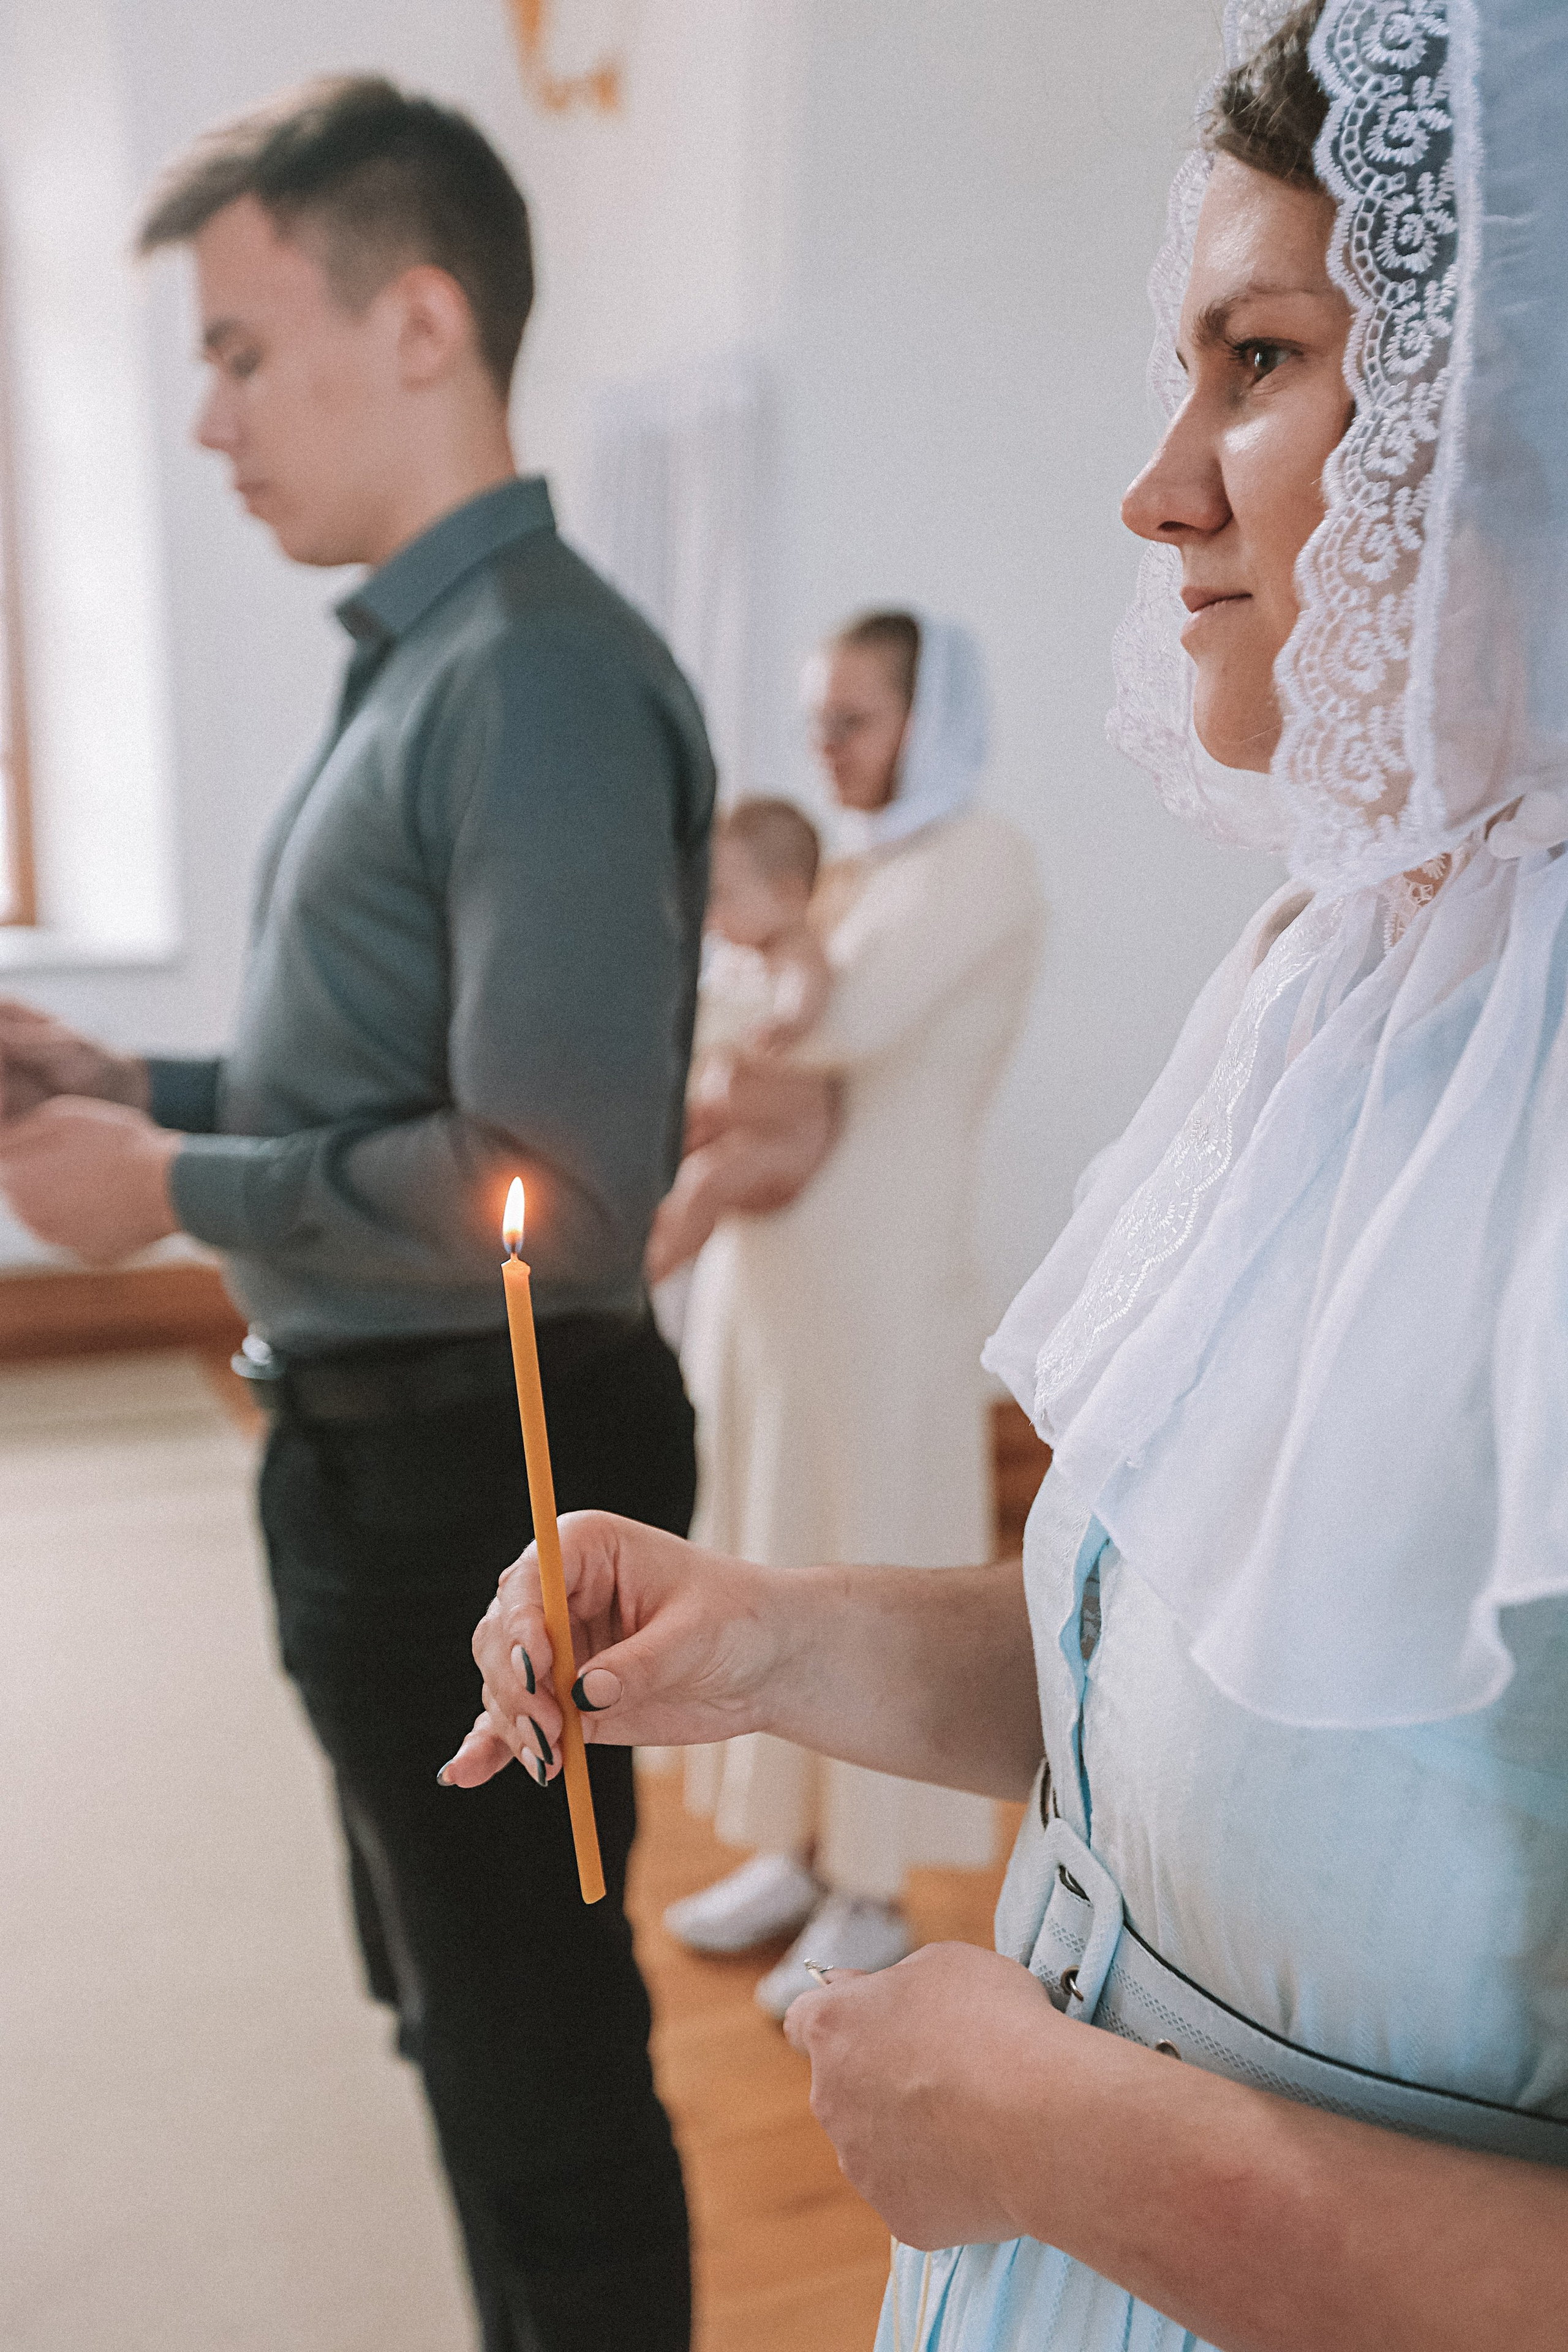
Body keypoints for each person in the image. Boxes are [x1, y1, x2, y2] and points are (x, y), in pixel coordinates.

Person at [445, 2, 1568, 2344]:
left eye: (1253, 363)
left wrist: (1069, 2139)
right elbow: (1161, 1672)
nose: (1156, 487)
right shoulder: (1337, 983)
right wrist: (771, 1636)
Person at [0, 80, 710, 2352]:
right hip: (375, 1452)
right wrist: (141, 1085)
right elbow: (376, 1097)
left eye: (231, 348)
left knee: (532, 2065)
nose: (204, 421)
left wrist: (176, 1187)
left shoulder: (538, 683)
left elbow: (567, 1197)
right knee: (451, 2009)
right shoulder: (427, 662)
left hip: (480, 1473)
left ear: (416, 322)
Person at [663, 613, 1042, 2016]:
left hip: (885, 1277)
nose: (824, 747)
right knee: (767, 1543)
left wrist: (731, 991)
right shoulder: (845, 869)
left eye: (854, 718)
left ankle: (872, 1882)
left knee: (874, 1559)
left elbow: (816, 1026)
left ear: (924, 714)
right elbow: (735, 1006)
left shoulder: (978, 862)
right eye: (815, 718)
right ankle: (785, 1840)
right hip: (772, 1273)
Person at [646, 796, 837, 1285]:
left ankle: (653, 1269)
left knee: (706, 1181)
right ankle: (640, 1243)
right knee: (674, 1155)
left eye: (724, 896)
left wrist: (789, 1020)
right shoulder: (738, 960)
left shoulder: (794, 949)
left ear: (789, 895)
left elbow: (807, 983)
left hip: (785, 1143)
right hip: (735, 1127)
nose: (710, 913)